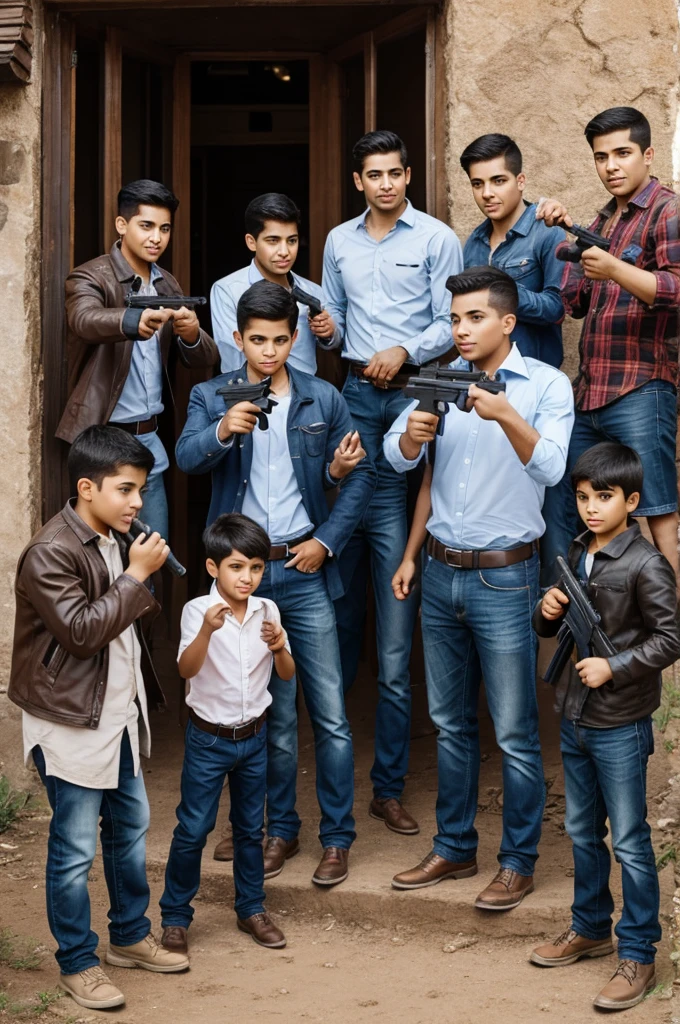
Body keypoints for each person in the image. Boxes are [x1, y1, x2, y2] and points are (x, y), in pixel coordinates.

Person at [176, 280, 375, 886]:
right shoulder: (211, 394)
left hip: (302, 568)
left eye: (279, 340)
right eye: (256, 340)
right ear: (237, 339)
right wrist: (223, 431)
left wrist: (326, 540)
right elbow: (185, 459)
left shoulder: (323, 397)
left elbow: (359, 478)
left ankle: (337, 839)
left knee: (332, 714)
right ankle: (279, 831)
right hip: (243, 583)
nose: (268, 351)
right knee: (278, 720)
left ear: (294, 340)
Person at [385, 267, 573, 907]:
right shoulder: (439, 378)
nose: (461, 330)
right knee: (449, 723)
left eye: (474, 318)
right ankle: (453, 848)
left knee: (516, 731)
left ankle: (518, 862)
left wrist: (504, 415)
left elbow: (550, 466)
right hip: (439, 572)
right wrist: (408, 438)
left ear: (507, 322)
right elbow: (400, 457)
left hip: (506, 576)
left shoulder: (546, 386)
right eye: (456, 319)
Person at [7, 426, 189, 1012]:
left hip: (118, 712)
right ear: (88, 487)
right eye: (127, 490)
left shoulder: (115, 535)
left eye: (141, 490)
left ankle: (130, 938)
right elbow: (83, 633)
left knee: (130, 831)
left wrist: (135, 573)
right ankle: (77, 962)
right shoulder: (50, 552)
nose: (138, 503)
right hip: (70, 720)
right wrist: (137, 575)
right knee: (75, 849)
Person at [322, 129, 463, 835]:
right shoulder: (338, 241)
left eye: (394, 173)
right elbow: (336, 322)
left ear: (409, 174)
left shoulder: (437, 238)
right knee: (340, 613)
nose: (384, 183)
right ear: (357, 181)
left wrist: (404, 348)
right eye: (372, 174)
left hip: (413, 395)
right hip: (351, 395)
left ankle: (389, 785)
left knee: (396, 620)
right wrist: (328, 333)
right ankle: (329, 775)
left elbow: (451, 321)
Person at [530, 442, 680, 1011]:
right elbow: (555, 631)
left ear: (632, 500)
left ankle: (638, 951)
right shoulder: (575, 550)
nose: (592, 508)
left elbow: (671, 638)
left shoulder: (647, 564)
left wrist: (613, 666)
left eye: (605, 498)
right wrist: (546, 613)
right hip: (575, 715)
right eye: (584, 497)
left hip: (619, 721)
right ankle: (590, 926)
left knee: (633, 842)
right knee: (579, 829)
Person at [537, 107, 680, 582]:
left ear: (648, 154)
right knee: (574, 506)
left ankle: (669, 628)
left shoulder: (667, 209)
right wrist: (566, 234)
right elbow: (574, 302)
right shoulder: (603, 218)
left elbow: (676, 288)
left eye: (623, 153)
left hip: (642, 387)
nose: (612, 166)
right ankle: (594, 615)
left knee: (657, 511)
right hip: (591, 393)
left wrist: (615, 267)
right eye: (602, 157)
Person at [160, 514, 295, 955]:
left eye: (256, 567)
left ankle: (251, 908)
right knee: (194, 829)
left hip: (254, 738)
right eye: (237, 566)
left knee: (249, 828)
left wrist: (278, 647)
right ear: (213, 568)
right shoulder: (197, 611)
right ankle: (176, 918)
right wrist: (206, 632)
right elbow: (186, 670)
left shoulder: (268, 611)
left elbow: (288, 673)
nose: (248, 577)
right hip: (209, 739)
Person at [56, 179, 218, 538]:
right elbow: (84, 319)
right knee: (101, 559)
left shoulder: (167, 285)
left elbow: (204, 358)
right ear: (122, 225)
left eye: (164, 228)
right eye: (146, 226)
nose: (156, 238)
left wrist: (191, 333)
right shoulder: (91, 275)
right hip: (103, 441)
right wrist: (132, 321)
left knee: (150, 557)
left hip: (149, 440)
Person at [461, 133, 565, 368]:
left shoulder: (547, 232)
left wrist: (500, 291)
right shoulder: (474, 242)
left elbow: (556, 308)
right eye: (478, 184)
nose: (487, 193)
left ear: (520, 181)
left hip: (532, 377)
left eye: (498, 181)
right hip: (482, 380)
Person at [210, 192, 341, 374]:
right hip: (251, 396)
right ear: (251, 242)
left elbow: (330, 344)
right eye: (273, 241)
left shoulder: (312, 291)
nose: (284, 251)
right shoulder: (227, 290)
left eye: (292, 241)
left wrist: (328, 333)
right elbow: (233, 359)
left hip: (304, 397)